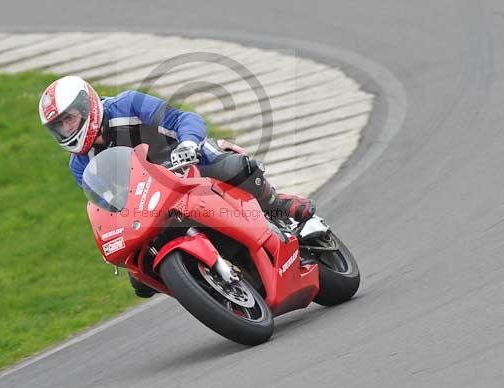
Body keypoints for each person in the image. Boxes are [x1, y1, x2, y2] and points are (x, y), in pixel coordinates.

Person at [39, 75, 316, 296]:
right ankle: (208, 288)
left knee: (235, 167)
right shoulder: (79, 166)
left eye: (69, 118)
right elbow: (109, 204)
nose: (67, 128)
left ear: (87, 106)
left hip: (190, 165)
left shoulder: (128, 105)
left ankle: (278, 206)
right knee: (141, 281)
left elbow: (182, 118)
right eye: (59, 125)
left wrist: (186, 144)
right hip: (153, 203)